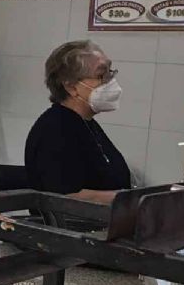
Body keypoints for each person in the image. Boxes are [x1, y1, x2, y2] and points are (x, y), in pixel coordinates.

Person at [24, 40, 131, 205]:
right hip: (73, 221)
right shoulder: (55, 130)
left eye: (110, 73)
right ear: (71, 87)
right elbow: (64, 197)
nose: (110, 82)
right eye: (101, 76)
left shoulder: (86, 123)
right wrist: (127, 200)